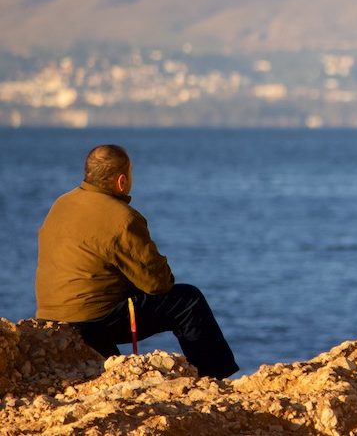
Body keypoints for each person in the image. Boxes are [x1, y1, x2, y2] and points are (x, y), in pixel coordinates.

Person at [36, 144, 239, 379]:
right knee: (187, 301)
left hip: (50, 315)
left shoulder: (61, 203)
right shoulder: (123, 218)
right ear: (122, 181)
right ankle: (216, 378)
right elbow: (157, 284)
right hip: (92, 319)